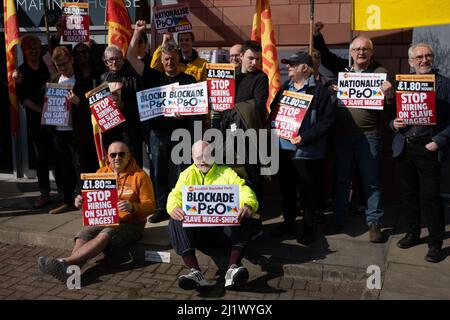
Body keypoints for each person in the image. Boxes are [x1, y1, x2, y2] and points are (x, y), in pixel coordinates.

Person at [313, 22, 394, 242]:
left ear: (371, 52)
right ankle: (339, 219)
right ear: (351, 52)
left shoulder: (380, 73)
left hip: (369, 136)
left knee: (371, 180)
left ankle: (374, 222)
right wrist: (316, 35)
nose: (360, 52)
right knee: (341, 180)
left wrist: (389, 95)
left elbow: (390, 108)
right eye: (357, 49)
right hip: (342, 136)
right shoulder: (343, 70)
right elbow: (326, 57)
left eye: (364, 49)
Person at [37, 141, 156, 282]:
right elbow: (93, 202)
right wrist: (81, 203)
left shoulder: (140, 176)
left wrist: (132, 207)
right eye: (113, 155)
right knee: (84, 233)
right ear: (108, 157)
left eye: (121, 154)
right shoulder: (101, 173)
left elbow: (150, 207)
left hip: (131, 224)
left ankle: (65, 263)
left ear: (129, 156)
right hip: (105, 219)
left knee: (106, 234)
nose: (117, 158)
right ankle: (71, 273)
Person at [167, 140, 260, 290]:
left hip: (223, 233)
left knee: (244, 214)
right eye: (198, 157)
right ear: (192, 157)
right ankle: (194, 272)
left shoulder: (226, 172)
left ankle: (233, 269)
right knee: (175, 218)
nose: (202, 160)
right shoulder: (187, 174)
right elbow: (175, 194)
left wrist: (248, 204)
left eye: (207, 155)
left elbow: (243, 189)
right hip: (198, 234)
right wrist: (174, 207)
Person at [391, 43, 450, 263]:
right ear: (411, 61)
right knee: (408, 195)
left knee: (431, 198)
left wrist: (438, 140)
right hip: (405, 146)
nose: (424, 60)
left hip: (429, 147)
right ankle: (412, 233)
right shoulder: (402, 83)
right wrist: (393, 123)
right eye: (419, 57)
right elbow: (391, 114)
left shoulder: (445, 84)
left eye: (428, 56)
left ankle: (436, 244)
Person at [268, 52, 335, 244]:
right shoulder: (285, 88)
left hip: (307, 152)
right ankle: (288, 224)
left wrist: (304, 138)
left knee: (308, 193)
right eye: (288, 64)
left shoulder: (319, 91)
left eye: (292, 64)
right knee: (287, 190)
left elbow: (327, 121)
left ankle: (308, 228)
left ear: (304, 67)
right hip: (283, 149)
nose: (288, 67)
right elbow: (274, 113)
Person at [143, 35, 198, 224]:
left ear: (178, 59)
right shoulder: (154, 79)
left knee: (183, 171)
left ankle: (183, 205)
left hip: (182, 133)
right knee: (158, 171)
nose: (170, 62)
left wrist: (186, 114)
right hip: (158, 133)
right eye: (166, 59)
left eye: (173, 59)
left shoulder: (189, 80)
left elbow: (198, 109)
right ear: (162, 60)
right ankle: (161, 207)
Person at [15, 35, 60, 209]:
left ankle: (64, 190)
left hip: (55, 118)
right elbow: (24, 99)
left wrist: (49, 62)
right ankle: (44, 193)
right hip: (37, 121)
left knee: (58, 155)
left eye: (36, 48)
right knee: (41, 158)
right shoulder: (20, 72)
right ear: (24, 51)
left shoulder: (45, 65)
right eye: (30, 48)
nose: (34, 51)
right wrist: (42, 111)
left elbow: (57, 80)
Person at [101, 45, 144, 167]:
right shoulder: (102, 79)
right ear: (106, 62)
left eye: (117, 59)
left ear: (123, 59)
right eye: (111, 59)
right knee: (112, 162)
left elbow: (142, 105)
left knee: (131, 162)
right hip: (110, 130)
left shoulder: (133, 78)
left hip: (129, 129)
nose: (114, 62)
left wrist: (124, 105)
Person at [72, 43, 102, 174]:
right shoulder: (72, 75)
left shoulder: (99, 74)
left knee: (97, 158)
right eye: (77, 53)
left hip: (95, 123)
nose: (81, 55)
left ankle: (97, 192)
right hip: (77, 123)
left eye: (84, 52)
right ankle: (82, 191)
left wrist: (80, 103)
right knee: (80, 160)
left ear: (89, 54)